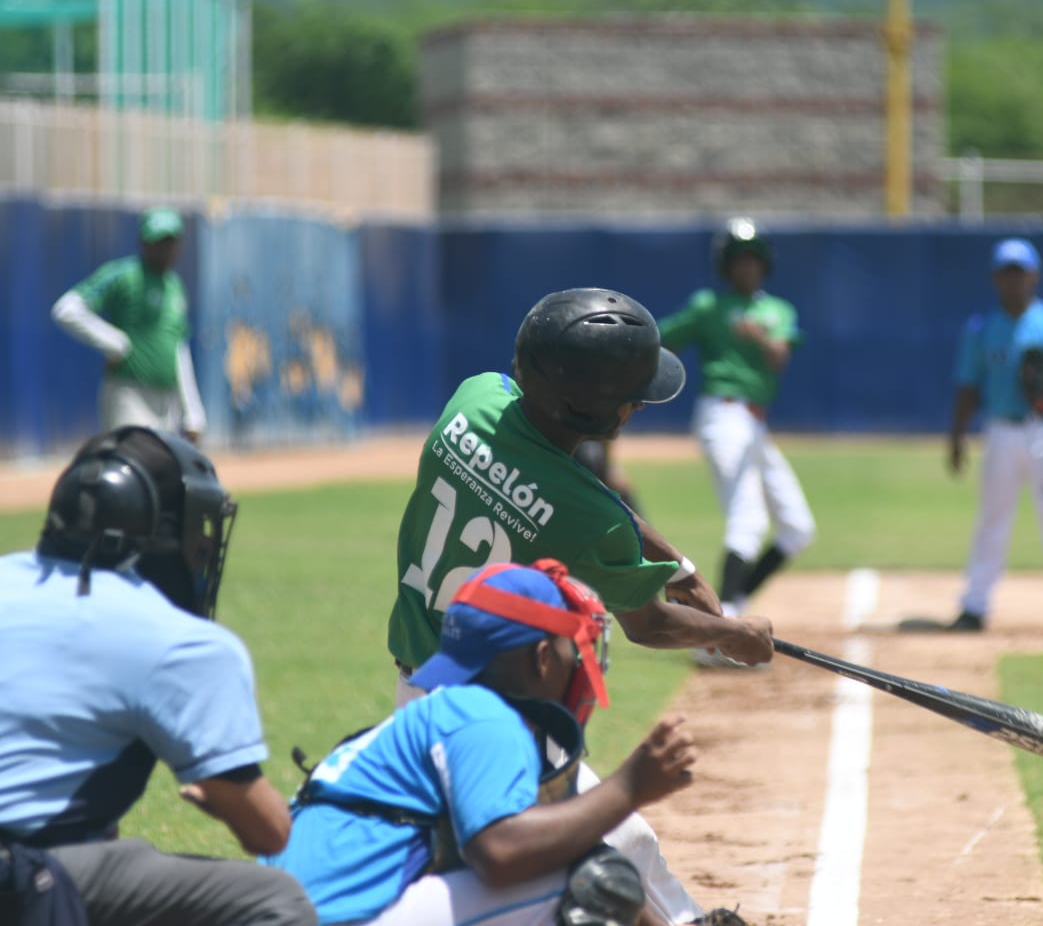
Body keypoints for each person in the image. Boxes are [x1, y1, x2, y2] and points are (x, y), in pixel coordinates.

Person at [386, 287, 769, 924]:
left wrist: (679, 566)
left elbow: (565, 485)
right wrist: (732, 635)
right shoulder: (587, 518)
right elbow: (650, 623)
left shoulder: (472, 398)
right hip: (489, 722)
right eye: (631, 398)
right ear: (604, 414)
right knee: (592, 867)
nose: (635, 406)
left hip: (421, 682)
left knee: (627, 846)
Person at [267, 558, 716, 926]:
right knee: (593, 879)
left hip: (292, 909)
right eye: (568, 648)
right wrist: (629, 786)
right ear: (542, 658)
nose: (577, 662)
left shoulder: (444, 708)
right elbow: (502, 853)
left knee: (565, 854)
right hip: (334, 915)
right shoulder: (485, 716)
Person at [0, 426, 314, 925]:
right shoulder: (177, 640)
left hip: (39, 864)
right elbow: (268, 833)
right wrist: (225, 797)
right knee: (277, 901)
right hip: (21, 880)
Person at [658, 218, 816, 665]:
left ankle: (730, 615)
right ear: (726, 265)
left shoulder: (776, 310)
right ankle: (717, 639)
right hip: (722, 416)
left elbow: (780, 355)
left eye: (752, 259)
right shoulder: (709, 305)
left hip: (755, 424)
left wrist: (760, 335)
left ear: (763, 264)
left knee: (796, 527)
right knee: (747, 521)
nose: (746, 267)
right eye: (738, 260)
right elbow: (661, 337)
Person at [944, 237, 1043, 637]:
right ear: (995, 278)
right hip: (1000, 431)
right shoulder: (981, 329)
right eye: (1006, 273)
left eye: (1020, 272)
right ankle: (975, 606)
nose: (1013, 280)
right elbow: (968, 386)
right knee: (992, 520)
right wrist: (957, 437)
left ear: (1034, 276)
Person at [51, 207, 207, 443]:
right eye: (158, 241)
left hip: (167, 402)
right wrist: (114, 342)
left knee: (161, 474)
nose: (165, 249)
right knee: (132, 463)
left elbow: (178, 347)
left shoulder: (175, 285)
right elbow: (67, 309)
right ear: (144, 242)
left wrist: (192, 412)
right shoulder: (124, 274)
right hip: (129, 394)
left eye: (170, 242)